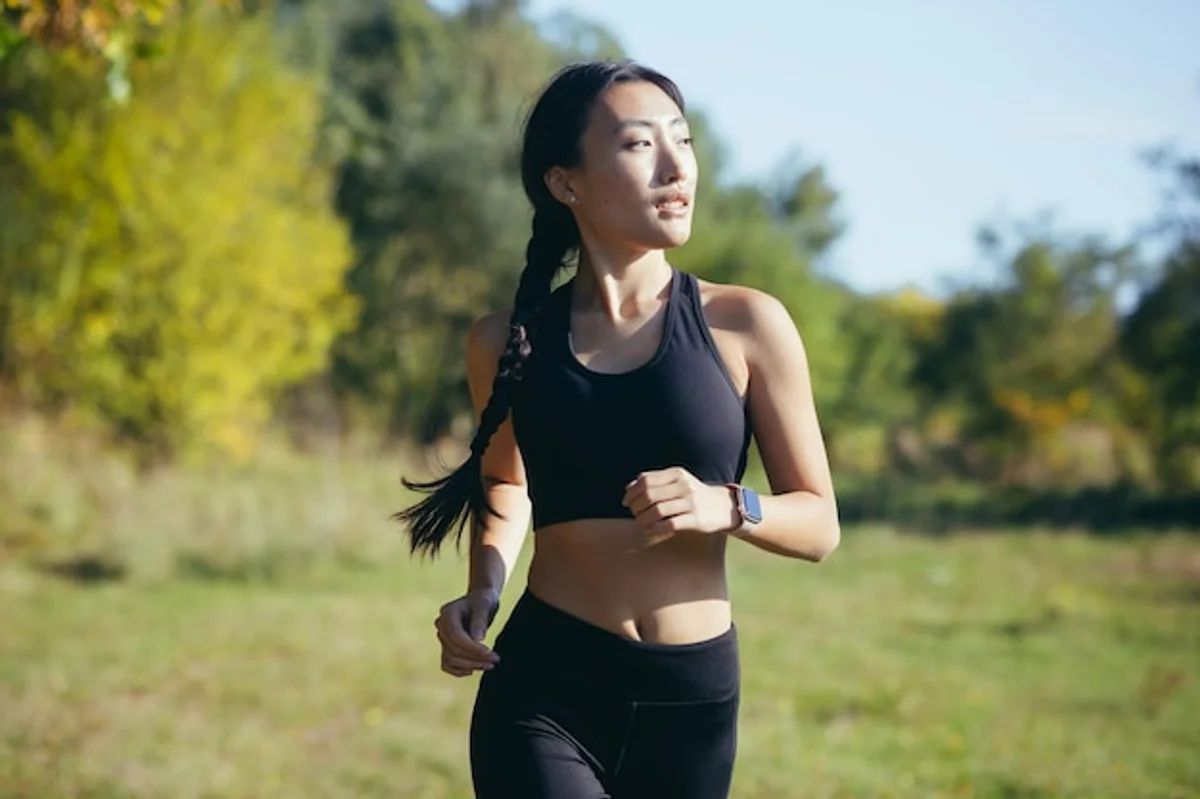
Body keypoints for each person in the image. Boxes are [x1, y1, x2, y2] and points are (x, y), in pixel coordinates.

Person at [395, 60, 840, 799]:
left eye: (683, 140)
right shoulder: (506, 341)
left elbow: (820, 524)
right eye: (640, 144)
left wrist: (726, 504)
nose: (676, 167)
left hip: (692, 700)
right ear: (564, 182)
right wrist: (484, 587)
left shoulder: (747, 324)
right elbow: (507, 479)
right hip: (543, 686)